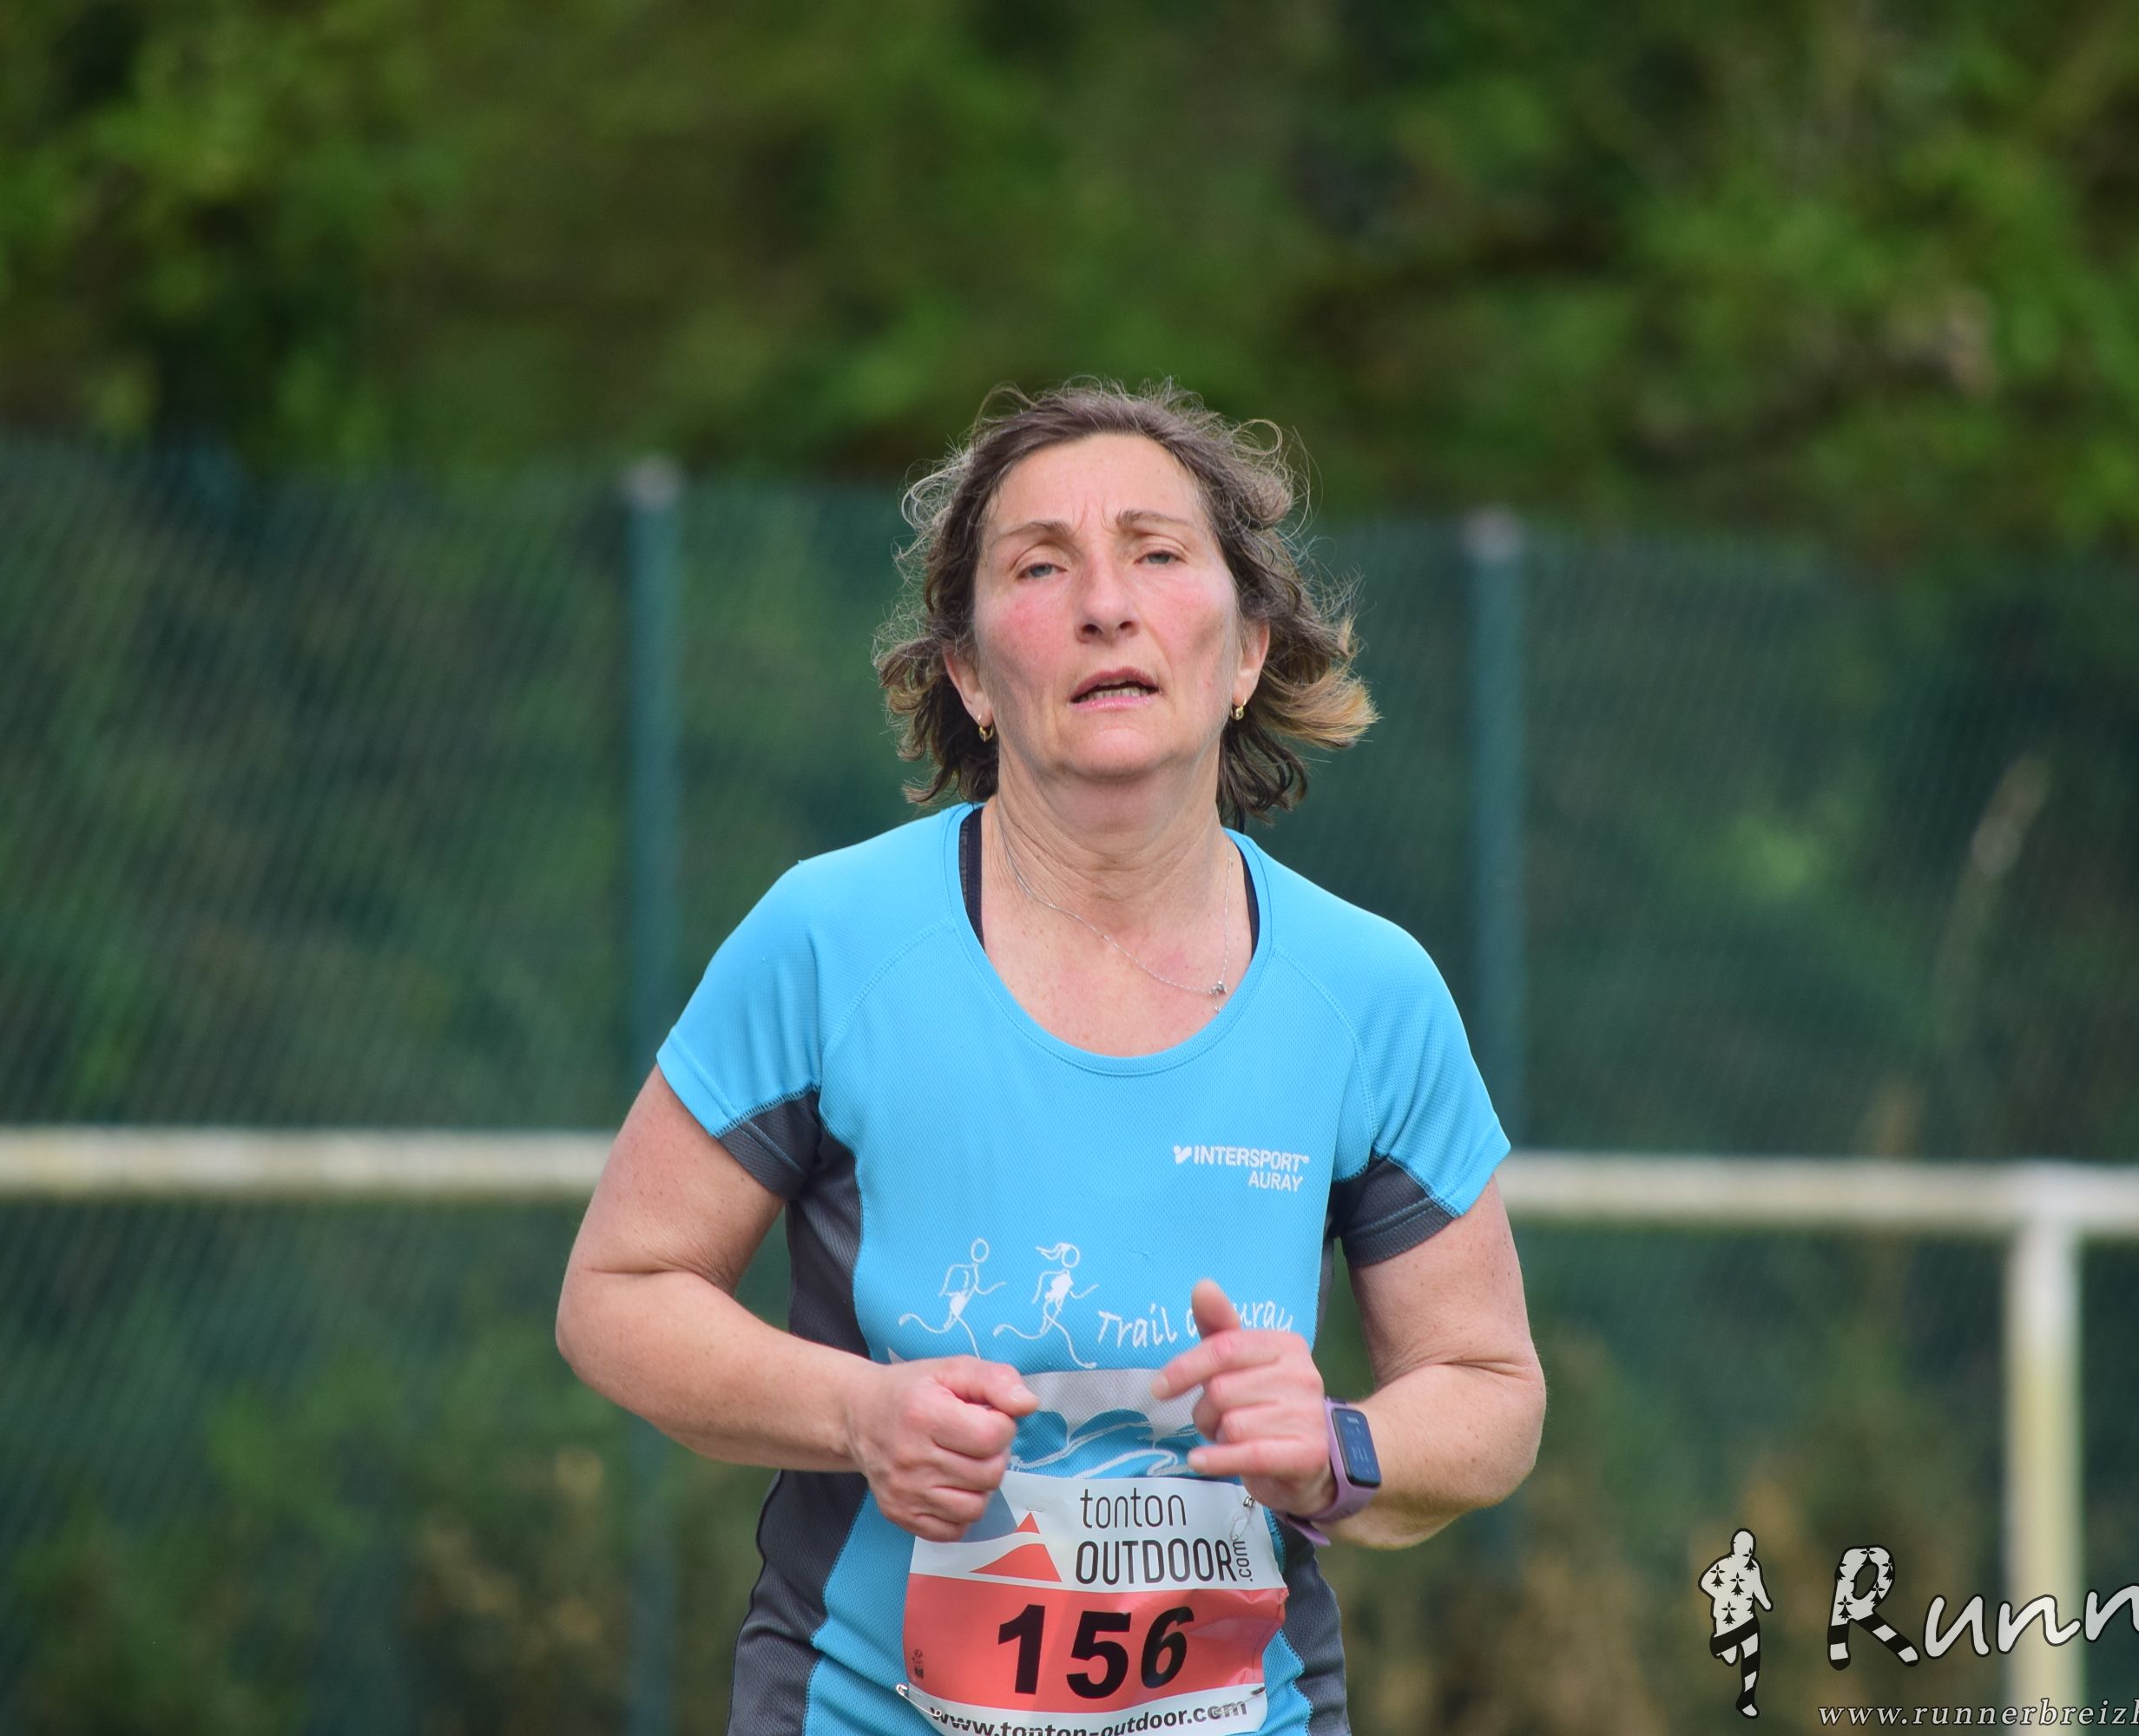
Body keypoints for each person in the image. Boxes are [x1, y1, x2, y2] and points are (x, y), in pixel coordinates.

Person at [556, 379, 1545, 1735]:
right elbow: (617, 1294)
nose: (1104, 605)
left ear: (1248, 649)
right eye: (1039, 566)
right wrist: (857, 1413)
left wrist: (1335, 1446)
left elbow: (1490, 1389)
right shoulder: (831, 941)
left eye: (1156, 552)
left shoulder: (1368, 992)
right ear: (968, 673)